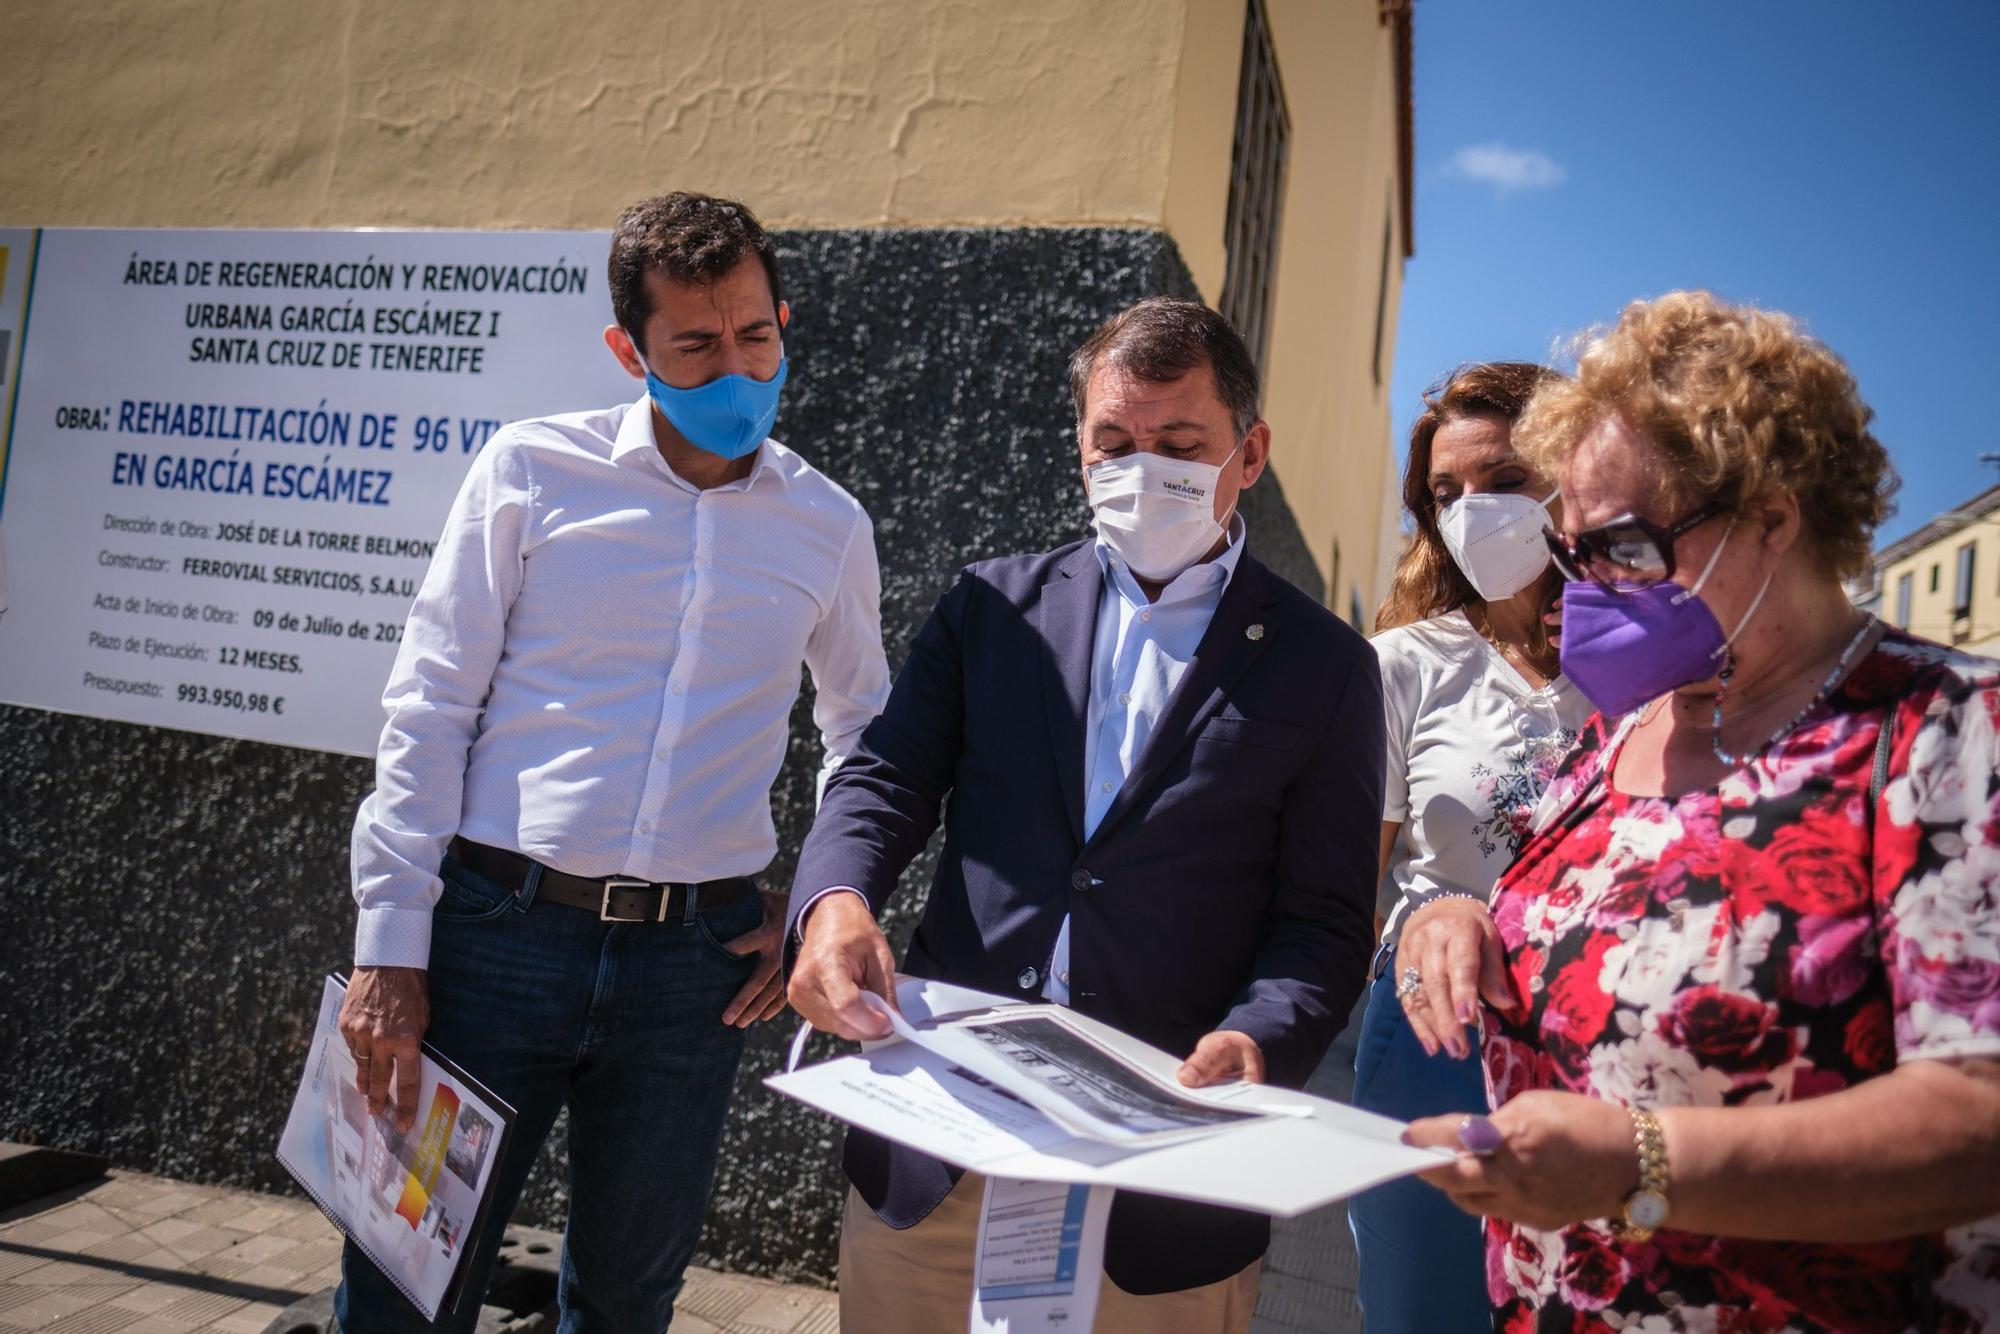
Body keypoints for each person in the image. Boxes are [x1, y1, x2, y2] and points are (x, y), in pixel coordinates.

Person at [336, 192, 891, 1332]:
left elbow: (863, 741)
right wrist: (388, 946)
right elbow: (429, 706)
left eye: (755, 335)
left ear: (782, 321)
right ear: (627, 347)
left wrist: (818, 903)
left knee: (630, 1298)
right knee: (401, 1276)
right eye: (694, 343)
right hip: (491, 949)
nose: (734, 366)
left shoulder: (828, 525)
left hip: (689, 981)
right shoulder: (530, 472)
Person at [784, 296, 1385, 1333]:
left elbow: (1324, 922)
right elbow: (881, 779)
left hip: (1167, 1177)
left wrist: (1256, 1038)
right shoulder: (991, 607)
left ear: (1249, 452)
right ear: (1077, 449)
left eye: (1178, 442)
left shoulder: (1327, 667)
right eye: (1112, 441)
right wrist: (833, 902)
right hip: (945, 1147)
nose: (1140, 466)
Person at [1401, 291, 2000, 1331]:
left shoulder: (1945, 731)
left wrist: (1639, 1161)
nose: (1583, 588)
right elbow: (1529, 919)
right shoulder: (1611, 743)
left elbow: (1977, 1114)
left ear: (1770, 516)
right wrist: (1447, 918)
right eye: (1573, 550)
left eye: (1622, 546)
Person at [1349, 362, 1592, 1333]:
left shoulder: (1651, 663)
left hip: (1592, 1040)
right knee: (1424, 1314)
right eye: (1445, 493)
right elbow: (1348, 882)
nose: (1469, 512)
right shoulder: (1404, 664)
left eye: (1498, 481)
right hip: (1429, 1040)